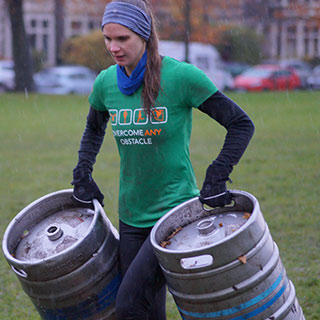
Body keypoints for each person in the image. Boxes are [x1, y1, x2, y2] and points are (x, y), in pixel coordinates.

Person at [71, 0, 255, 319]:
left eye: (122, 39)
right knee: (147, 312)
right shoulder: (105, 83)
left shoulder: (181, 77)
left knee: (128, 304)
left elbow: (241, 124)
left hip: (174, 216)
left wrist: (216, 176)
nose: (113, 47)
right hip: (130, 216)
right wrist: (82, 172)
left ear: (143, 35)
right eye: (108, 38)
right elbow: (93, 128)